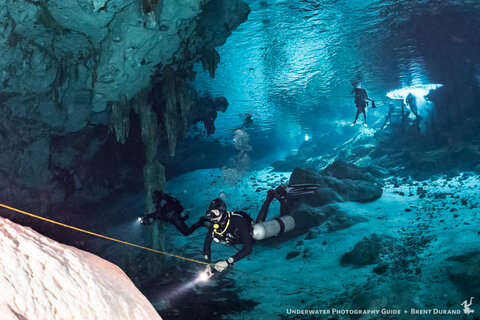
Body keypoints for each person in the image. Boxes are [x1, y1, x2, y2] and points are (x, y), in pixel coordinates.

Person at [203, 184, 319, 273]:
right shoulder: (214, 226)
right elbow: (207, 244)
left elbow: (247, 249)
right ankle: (270, 196)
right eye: (210, 214)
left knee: (268, 228)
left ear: (223, 212)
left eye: (215, 213)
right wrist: (207, 264)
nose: (212, 218)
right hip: (249, 230)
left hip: (253, 233)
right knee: (259, 223)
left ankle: (282, 198)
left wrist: (227, 262)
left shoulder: (237, 221)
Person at [138, 190, 208, 236]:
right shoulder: (162, 202)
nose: (154, 200)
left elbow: (161, 213)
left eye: (154, 198)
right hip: (173, 217)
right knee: (185, 232)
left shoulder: (163, 201)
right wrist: (150, 217)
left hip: (175, 216)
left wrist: (149, 216)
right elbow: (160, 214)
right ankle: (201, 222)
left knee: (186, 232)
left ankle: (201, 222)